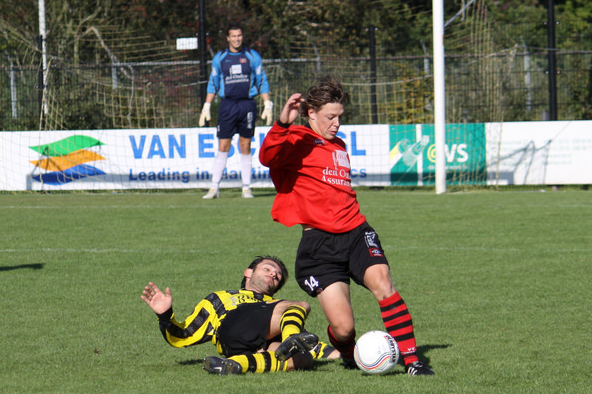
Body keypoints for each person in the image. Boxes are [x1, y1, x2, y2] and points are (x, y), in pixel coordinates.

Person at [258, 76, 435, 376]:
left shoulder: (338, 145)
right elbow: (267, 157)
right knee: (343, 328)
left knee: (383, 284)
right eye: (330, 117)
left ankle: (412, 361)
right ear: (311, 113)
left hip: (356, 233)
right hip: (319, 246)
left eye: (340, 116)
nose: (337, 123)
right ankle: (350, 352)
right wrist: (282, 124)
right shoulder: (297, 139)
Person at [141, 255, 338, 375]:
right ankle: (289, 341)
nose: (273, 274)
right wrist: (165, 315)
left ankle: (236, 364)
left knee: (303, 359)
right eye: (267, 269)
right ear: (248, 273)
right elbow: (183, 335)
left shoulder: (276, 308)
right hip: (233, 325)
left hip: (243, 346)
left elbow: (310, 343)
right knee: (301, 305)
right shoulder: (221, 297)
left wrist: (345, 354)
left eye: (277, 276)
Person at [198, 24, 273, 200]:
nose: (237, 39)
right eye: (233, 36)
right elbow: (213, 82)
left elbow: (262, 80)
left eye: (239, 36)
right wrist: (207, 105)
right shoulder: (220, 58)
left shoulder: (252, 56)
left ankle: (246, 188)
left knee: (245, 145)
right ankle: (214, 187)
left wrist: (267, 103)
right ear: (228, 38)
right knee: (223, 145)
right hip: (227, 106)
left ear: (242, 37)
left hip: (247, 105)